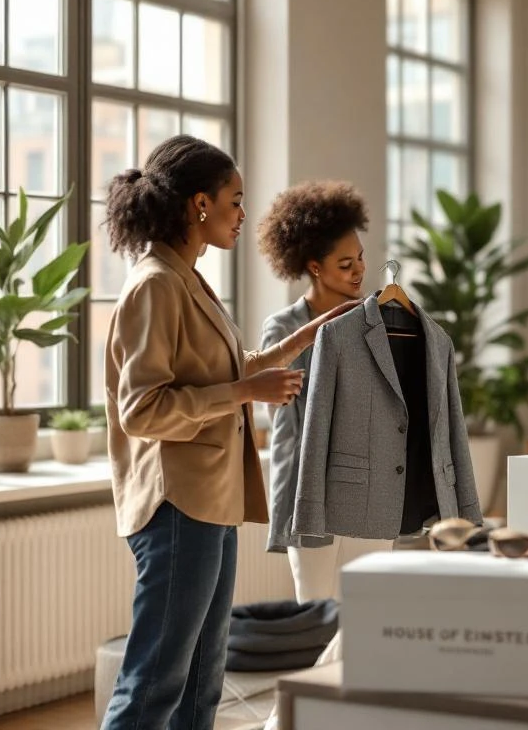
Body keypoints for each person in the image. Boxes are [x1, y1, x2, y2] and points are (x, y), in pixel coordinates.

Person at [101, 135, 356, 730]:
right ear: (199, 205)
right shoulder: (155, 285)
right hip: (175, 506)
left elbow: (222, 366)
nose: (244, 215)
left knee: (201, 681)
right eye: (235, 201)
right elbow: (141, 409)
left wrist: (299, 340)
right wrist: (246, 393)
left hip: (209, 503)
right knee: (156, 677)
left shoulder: (186, 277)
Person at [256, 180, 393, 604]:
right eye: (345, 263)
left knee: (369, 615)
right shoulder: (283, 330)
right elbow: (287, 421)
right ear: (315, 267)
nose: (359, 271)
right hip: (311, 491)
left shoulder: (382, 321)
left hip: (371, 489)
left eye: (361, 258)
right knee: (316, 610)